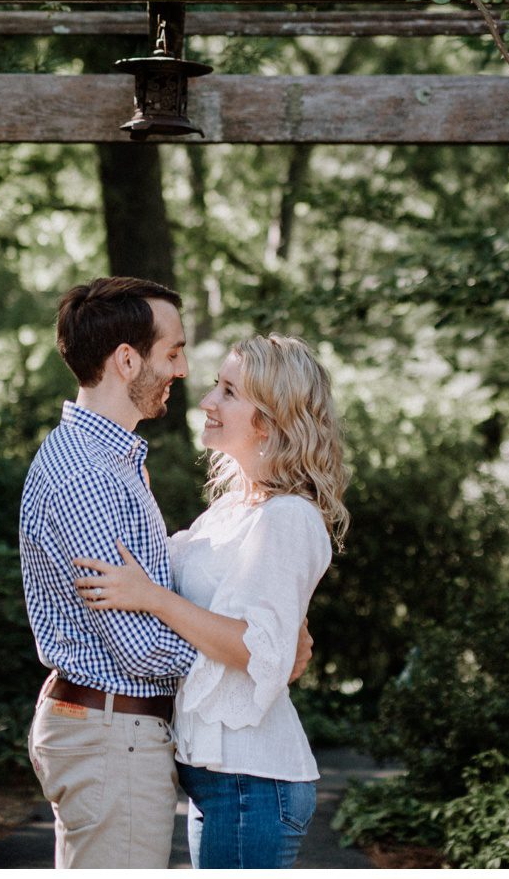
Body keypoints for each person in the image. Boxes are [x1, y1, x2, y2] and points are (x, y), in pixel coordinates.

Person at [73, 333, 350, 870]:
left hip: (252, 784)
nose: (207, 401)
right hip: (221, 783)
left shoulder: (288, 518)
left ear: (267, 421)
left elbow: (255, 647)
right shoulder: (229, 513)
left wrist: (151, 599)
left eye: (228, 392)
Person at [19, 276, 198, 869]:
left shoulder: (108, 462)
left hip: (108, 731)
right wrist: (248, 652)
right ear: (127, 360)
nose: (183, 368)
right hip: (111, 734)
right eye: (172, 352)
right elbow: (140, 648)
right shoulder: (88, 477)